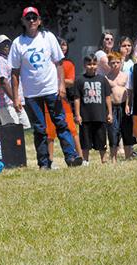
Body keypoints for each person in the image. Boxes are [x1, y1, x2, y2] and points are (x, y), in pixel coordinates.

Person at [8, 6, 82, 169]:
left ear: (39, 20)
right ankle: (44, 163)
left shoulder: (48, 37)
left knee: (61, 123)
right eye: (28, 18)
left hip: (51, 90)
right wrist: (16, 97)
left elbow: (59, 63)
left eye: (34, 17)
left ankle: (71, 157)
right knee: (40, 128)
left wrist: (61, 85)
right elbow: (14, 72)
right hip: (31, 93)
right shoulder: (18, 43)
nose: (32, 21)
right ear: (23, 21)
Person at [45, 37, 82, 168]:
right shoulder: (47, 63)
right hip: (48, 101)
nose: (62, 47)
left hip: (64, 102)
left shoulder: (68, 64)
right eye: (59, 45)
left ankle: (80, 157)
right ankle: (49, 161)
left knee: (72, 129)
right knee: (50, 133)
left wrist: (57, 80)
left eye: (64, 44)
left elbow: (71, 82)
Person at [74, 54, 113, 164]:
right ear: (84, 65)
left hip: (100, 116)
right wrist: (77, 114)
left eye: (94, 64)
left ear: (97, 65)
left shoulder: (102, 80)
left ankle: (104, 160)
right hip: (85, 117)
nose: (92, 66)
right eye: (89, 64)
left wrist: (109, 113)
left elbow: (107, 97)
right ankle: (85, 161)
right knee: (85, 141)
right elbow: (77, 98)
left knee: (101, 140)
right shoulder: (80, 80)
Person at [0, 35, 31, 129]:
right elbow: (3, 82)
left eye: (8, 43)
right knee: (12, 133)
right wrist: (15, 99)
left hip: (13, 103)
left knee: (25, 128)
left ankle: (22, 144)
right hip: (5, 104)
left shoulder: (7, 59)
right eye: (3, 44)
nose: (6, 46)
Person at [106, 52, 135, 163]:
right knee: (113, 131)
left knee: (127, 131)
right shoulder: (106, 77)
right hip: (112, 106)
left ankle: (128, 157)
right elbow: (106, 94)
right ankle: (113, 158)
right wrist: (108, 111)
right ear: (109, 63)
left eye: (117, 62)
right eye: (113, 63)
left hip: (124, 105)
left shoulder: (125, 75)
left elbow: (128, 91)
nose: (115, 65)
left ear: (121, 62)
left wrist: (128, 104)